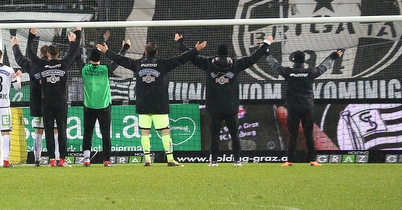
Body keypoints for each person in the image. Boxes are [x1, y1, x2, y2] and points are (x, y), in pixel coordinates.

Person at [101, 35, 206, 167]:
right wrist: (196, 50)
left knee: (145, 132)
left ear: (145, 52)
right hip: (159, 105)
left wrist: (107, 52)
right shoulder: (163, 64)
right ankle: (170, 159)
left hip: (143, 104)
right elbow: (181, 59)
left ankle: (148, 160)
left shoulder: (137, 64)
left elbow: (120, 60)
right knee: (165, 132)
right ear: (157, 53)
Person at [179, 35, 274, 166]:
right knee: (235, 134)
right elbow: (253, 58)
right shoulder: (236, 64)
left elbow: (190, 57)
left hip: (214, 107)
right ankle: (237, 160)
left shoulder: (208, 63)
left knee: (214, 135)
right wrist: (266, 43)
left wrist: (180, 42)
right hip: (231, 106)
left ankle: (214, 161)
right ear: (227, 52)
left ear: (217, 52)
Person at [13, 28, 81, 167]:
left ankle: (51, 160)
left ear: (47, 55)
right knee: (61, 131)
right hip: (61, 102)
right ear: (58, 54)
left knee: (48, 131)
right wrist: (76, 37)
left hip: (47, 102)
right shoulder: (63, 64)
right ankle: (61, 159)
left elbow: (30, 54)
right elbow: (73, 52)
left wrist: (31, 37)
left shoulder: (42, 65)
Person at [267, 48, 343, 166]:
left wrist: (266, 53)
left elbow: (275, 65)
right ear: (304, 61)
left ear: (293, 60)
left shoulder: (288, 72)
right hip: (307, 107)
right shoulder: (310, 72)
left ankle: (289, 160)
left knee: (293, 134)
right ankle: (313, 160)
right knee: (309, 134)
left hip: (292, 108)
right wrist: (333, 56)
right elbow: (324, 67)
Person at [80, 38, 130, 166]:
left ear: (89, 59)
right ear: (100, 59)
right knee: (106, 134)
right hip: (104, 106)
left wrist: (76, 44)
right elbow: (118, 61)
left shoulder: (84, 69)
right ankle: (107, 160)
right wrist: (124, 48)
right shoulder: (105, 69)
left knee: (87, 133)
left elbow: (74, 58)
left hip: (89, 106)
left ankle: (86, 159)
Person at [10, 30, 47, 165]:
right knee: (55, 131)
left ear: (40, 54)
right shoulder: (55, 65)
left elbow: (19, 58)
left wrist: (15, 45)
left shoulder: (33, 65)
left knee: (38, 131)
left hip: (37, 103)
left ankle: (37, 159)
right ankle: (56, 159)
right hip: (52, 103)